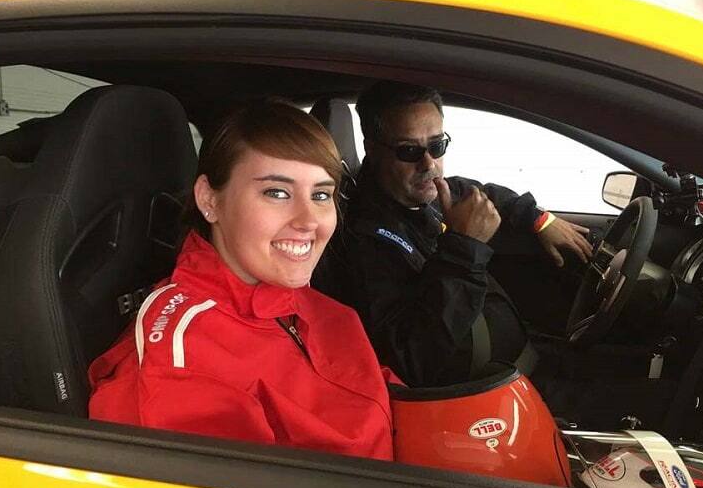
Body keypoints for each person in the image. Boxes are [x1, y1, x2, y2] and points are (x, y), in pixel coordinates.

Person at [88, 101, 396, 460]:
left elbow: (390, 403)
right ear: (209, 200)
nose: (309, 220)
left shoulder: (318, 307)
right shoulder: (180, 360)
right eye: (277, 192)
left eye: (321, 195)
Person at [314, 81, 593, 388]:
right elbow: (410, 358)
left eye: (437, 146)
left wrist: (540, 220)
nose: (429, 164)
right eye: (409, 151)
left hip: (515, 362)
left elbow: (483, 196)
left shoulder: (427, 194)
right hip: (478, 394)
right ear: (372, 149)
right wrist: (464, 248)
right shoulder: (363, 241)